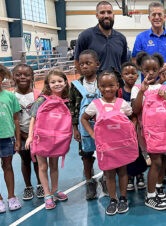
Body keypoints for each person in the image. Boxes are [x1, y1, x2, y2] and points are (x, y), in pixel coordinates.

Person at [81, 70, 133, 215]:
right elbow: (84, 118)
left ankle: (123, 198)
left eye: (111, 85)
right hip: (105, 147)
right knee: (109, 174)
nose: (107, 89)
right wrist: (92, 134)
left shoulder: (123, 104)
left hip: (122, 145)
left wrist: (131, 132)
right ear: (99, 87)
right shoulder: (95, 104)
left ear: (117, 86)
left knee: (123, 172)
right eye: (103, 86)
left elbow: (132, 118)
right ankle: (113, 199)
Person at [131, 52, 166, 210]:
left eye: (154, 69)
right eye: (146, 69)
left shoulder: (165, 87)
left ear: (159, 70)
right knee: (156, 162)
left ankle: (157, 186)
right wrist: (142, 92)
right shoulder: (137, 88)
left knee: (163, 161)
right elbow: (135, 110)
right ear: (141, 70)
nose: (150, 73)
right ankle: (150, 196)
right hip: (150, 134)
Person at [26, 69, 70, 210]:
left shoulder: (65, 99)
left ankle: (55, 190)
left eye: (59, 81)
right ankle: (47, 195)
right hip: (41, 138)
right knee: (43, 166)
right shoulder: (42, 99)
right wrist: (30, 136)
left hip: (57, 139)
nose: (57, 84)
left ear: (65, 82)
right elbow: (33, 117)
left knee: (54, 166)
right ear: (47, 84)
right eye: (53, 82)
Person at [69, 49, 101, 200]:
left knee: (105, 152)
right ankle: (90, 181)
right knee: (86, 155)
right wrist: (75, 128)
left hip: (103, 125)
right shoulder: (75, 85)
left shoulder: (104, 81)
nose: (84, 67)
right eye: (81, 64)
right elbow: (73, 108)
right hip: (84, 127)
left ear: (97, 64)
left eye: (88, 63)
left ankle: (106, 177)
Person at [12, 64, 44, 201]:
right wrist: (22, 136)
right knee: (25, 161)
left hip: (37, 136)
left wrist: (34, 134)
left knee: (38, 161)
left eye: (26, 74)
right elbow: (11, 119)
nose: (22, 77)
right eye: (18, 74)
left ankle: (40, 184)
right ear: (13, 77)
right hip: (20, 136)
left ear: (32, 76)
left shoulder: (38, 95)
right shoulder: (12, 96)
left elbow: (42, 117)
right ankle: (28, 186)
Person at [74, 1, 128, 72]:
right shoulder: (85, 36)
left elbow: (124, 64)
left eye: (109, 12)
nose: (106, 16)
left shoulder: (121, 38)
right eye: (102, 12)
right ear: (97, 15)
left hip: (116, 82)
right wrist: (88, 80)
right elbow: (77, 62)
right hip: (94, 82)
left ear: (113, 15)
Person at [119, 62, 147, 192]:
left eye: (133, 73)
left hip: (138, 125)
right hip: (123, 128)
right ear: (121, 76)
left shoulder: (141, 89)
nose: (130, 76)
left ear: (138, 75)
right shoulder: (119, 91)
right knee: (126, 152)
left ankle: (140, 175)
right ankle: (129, 176)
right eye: (126, 73)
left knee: (138, 151)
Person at [0, 65, 22, 213]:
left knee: (7, 166)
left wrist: (18, 139)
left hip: (7, 137)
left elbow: (15, 119)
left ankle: (11, 196)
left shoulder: (10, 96)